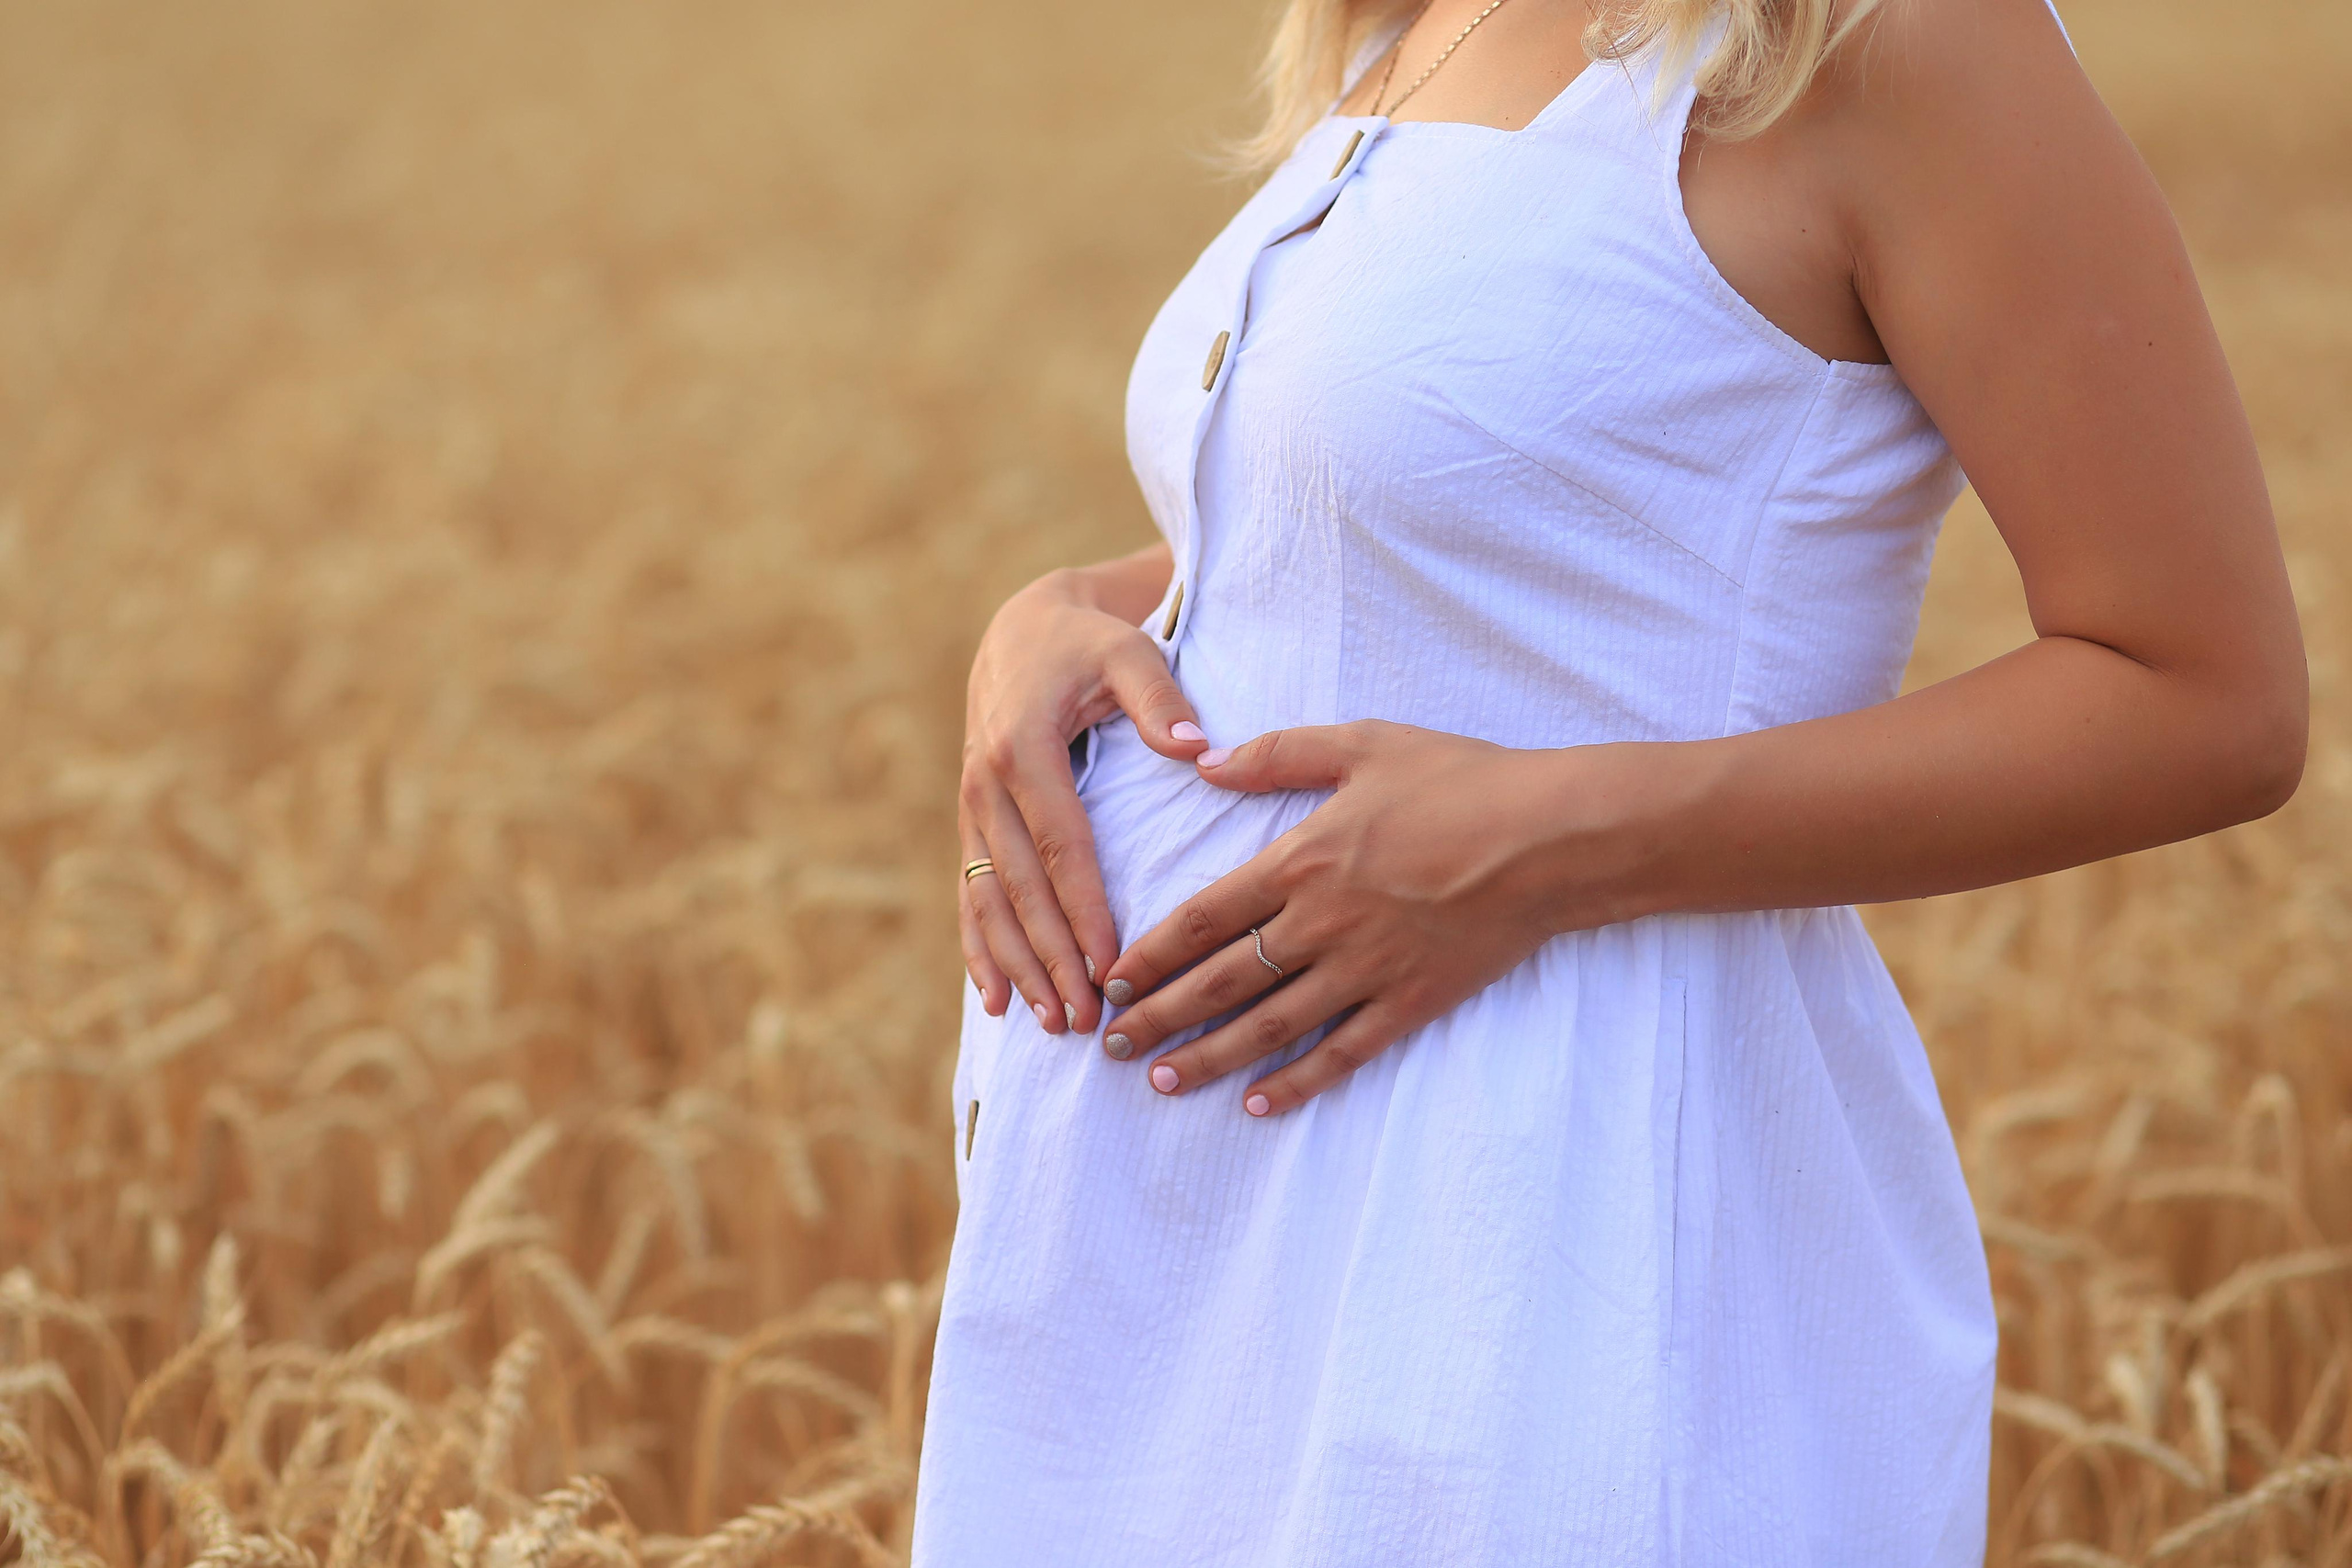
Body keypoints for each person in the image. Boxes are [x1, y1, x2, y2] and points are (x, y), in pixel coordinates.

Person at [918, 0, 2306, 1561]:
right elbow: (1415, 544)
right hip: (1166, 1265)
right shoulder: (1418, 14)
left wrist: (1543, 837)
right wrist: (1064, 620)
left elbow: (2203, 694)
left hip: (1539, 1236)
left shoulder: (1895, 36)